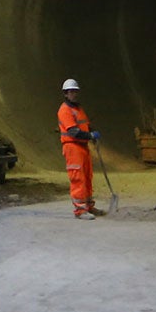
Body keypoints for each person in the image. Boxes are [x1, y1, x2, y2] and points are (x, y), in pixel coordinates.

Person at [56, 78, 101, 218]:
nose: (74, 94)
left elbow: (84, 125)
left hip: (82, 146)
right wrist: (90, 135)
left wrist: (92, 133)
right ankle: (80, 210)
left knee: (87, 176)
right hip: (72, 147)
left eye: (76, 91)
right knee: (78, 177)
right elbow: (73, 132)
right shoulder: (64, 110)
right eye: (71, 92)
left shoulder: (78, 109)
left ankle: (88, 206)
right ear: (65, 93)